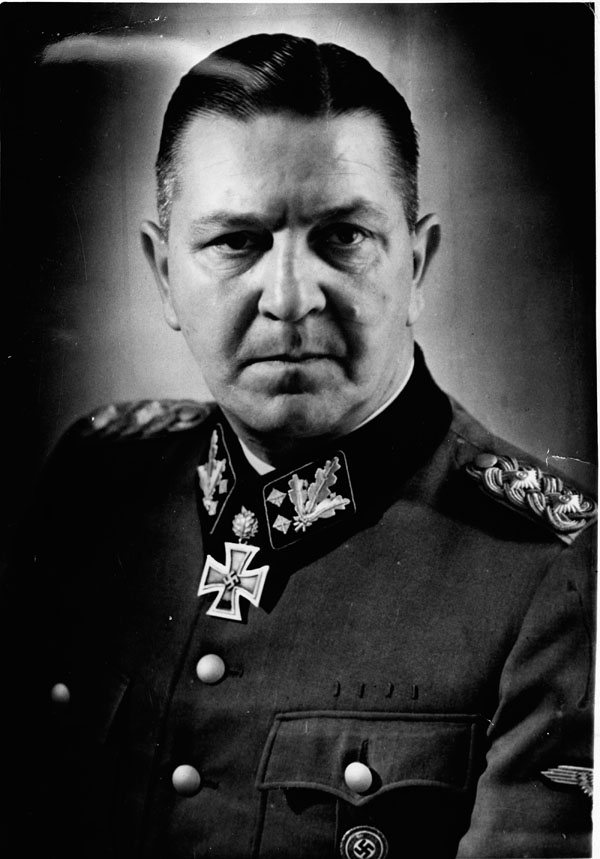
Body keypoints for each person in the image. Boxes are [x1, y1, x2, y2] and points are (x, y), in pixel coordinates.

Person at [2, 33, 595, 859]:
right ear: (163, 272)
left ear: (418, 263)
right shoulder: (98, 478)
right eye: (236, 241)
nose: (288, 298)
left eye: (343, 236)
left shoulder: (560, 569)